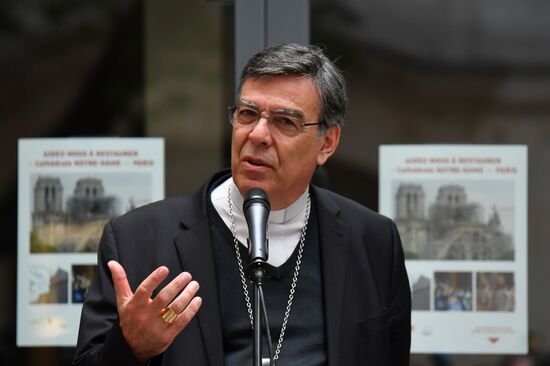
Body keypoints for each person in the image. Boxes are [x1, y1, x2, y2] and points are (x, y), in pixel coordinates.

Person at [73, 43, 411, 366]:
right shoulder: (138, 240)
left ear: (328, 142)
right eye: (248, 114)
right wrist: (130, 348)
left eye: (285, 122)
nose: (258, 134)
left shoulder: (374, 241)